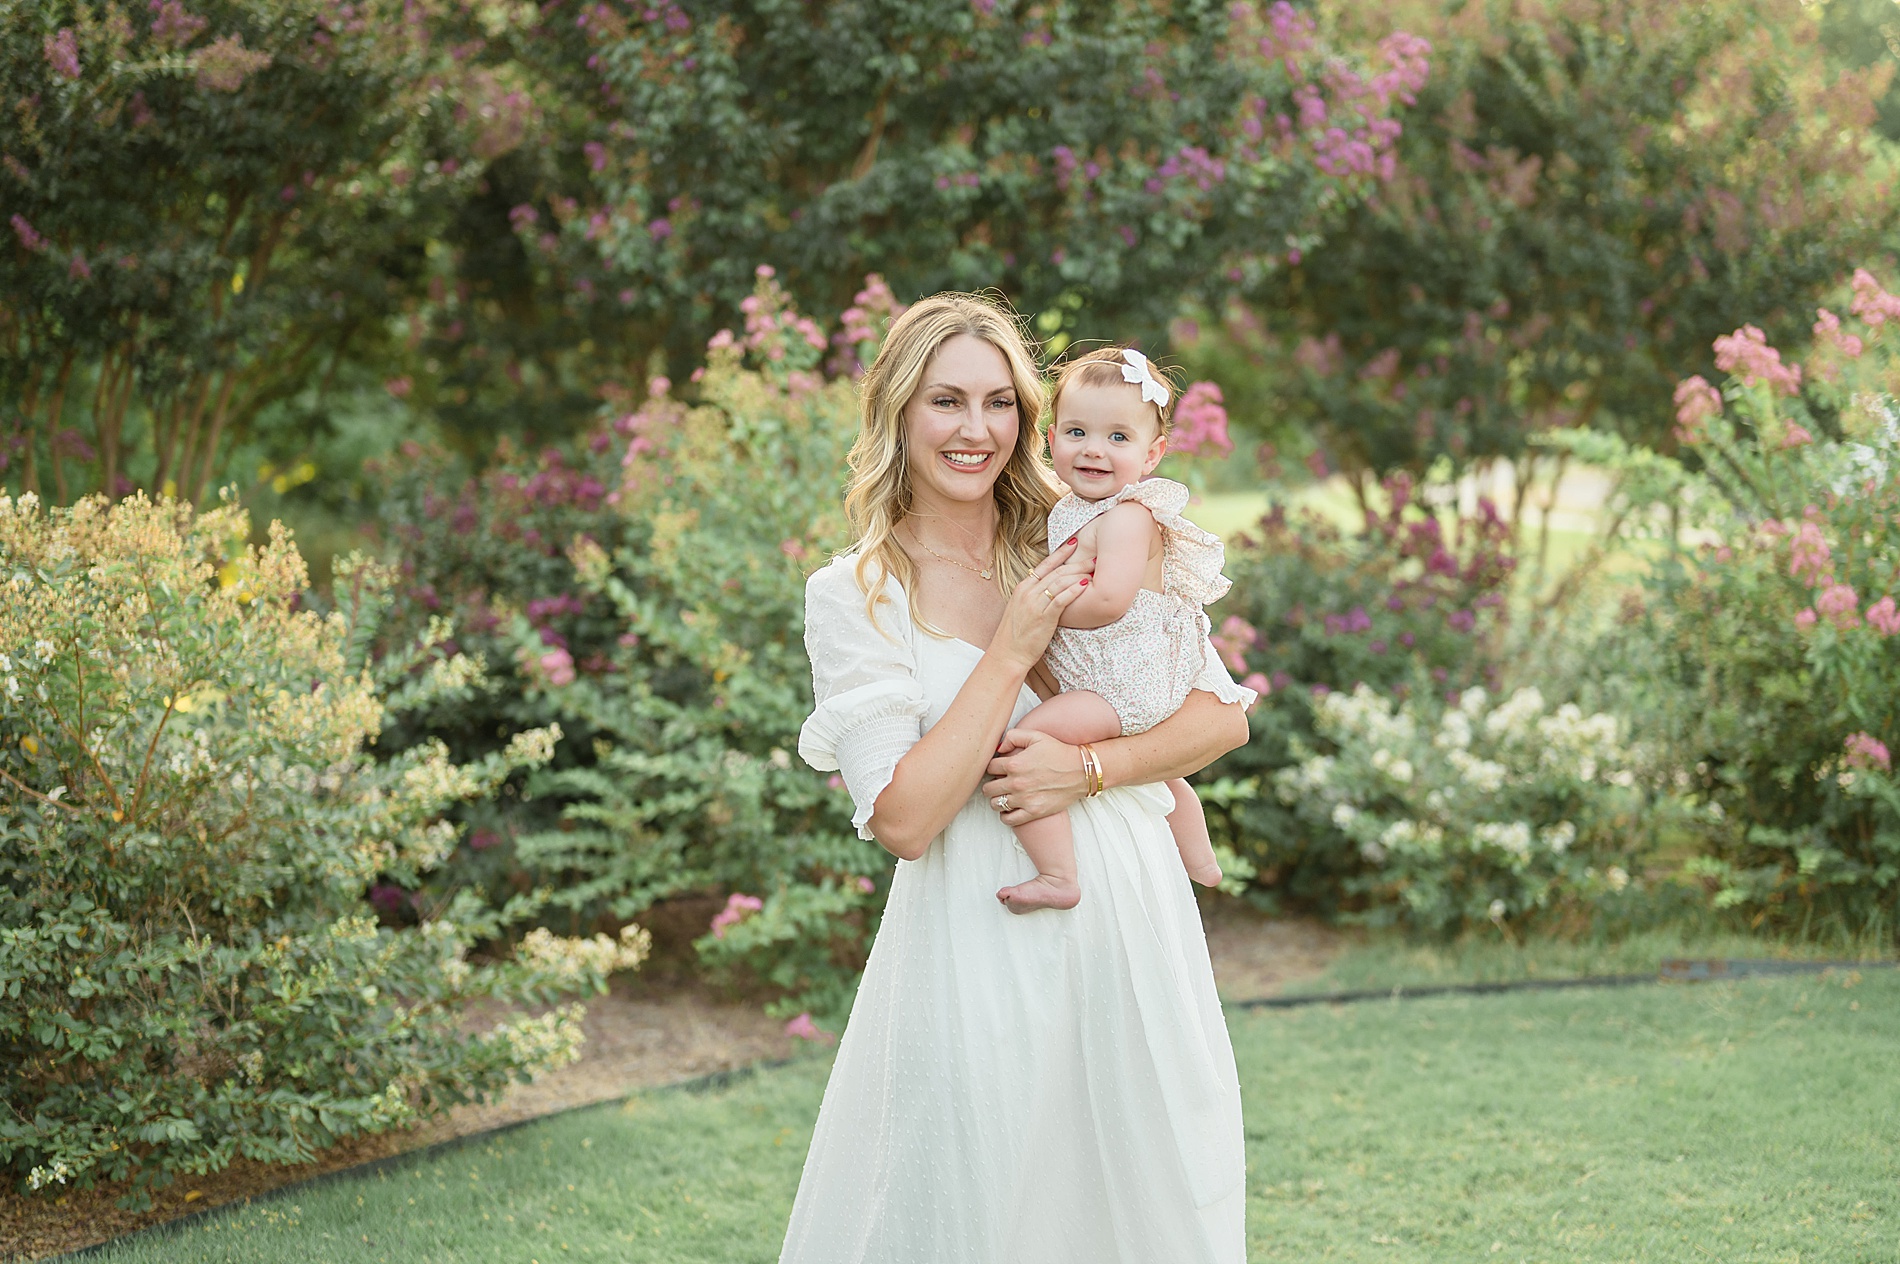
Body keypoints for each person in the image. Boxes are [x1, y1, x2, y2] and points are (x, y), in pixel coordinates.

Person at [783, 292, 1252, 1263]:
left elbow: (1214, 713)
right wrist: (1009, 653)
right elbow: (906, 819)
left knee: (1151, 1186)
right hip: (980, 923)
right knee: (980, 1190)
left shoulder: (1076, 535)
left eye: (1000, 403)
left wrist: (1090, 768)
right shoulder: (855, 592)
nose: (975, 429)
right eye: (946, 401)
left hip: (1129, 901)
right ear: (898, 411)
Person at [995, 345, 1254, 913]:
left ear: (1152, 454)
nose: (1094, 449)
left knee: (1021, 746)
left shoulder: (1128, 516)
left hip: (1122, 684)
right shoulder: (1076, 506)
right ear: (1049, 437)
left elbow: (1110, 600)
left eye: (1118, 438)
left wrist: (1039, 610)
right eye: (1077, 432)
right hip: (1122, 679)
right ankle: (1202, 861)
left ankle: (1059, 875)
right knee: (1154, 772)